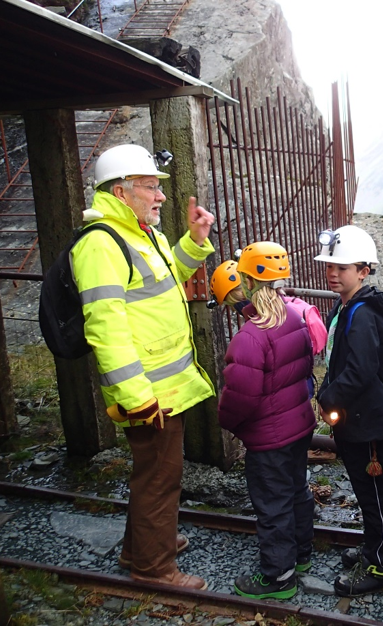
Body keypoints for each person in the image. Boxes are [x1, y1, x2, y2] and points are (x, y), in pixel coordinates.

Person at [73, 144, 216, 589]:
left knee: (156, 471)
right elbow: (106, 327)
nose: (161, 196)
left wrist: (194, 241)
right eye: (151, 187)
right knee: (159, 476)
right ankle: (154, 570)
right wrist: (137, 396)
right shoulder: (102, 243)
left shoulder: (138, 233)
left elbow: (167, 274)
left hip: (165, 385)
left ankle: (144, 545)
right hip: (148, 391)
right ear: (122, 191)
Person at [217, 242, 316, 600]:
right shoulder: (295, 318)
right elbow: (304, 369)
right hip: (299, 425)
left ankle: (278, 577)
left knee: (272, 503)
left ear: (244, 279)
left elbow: (240, 398)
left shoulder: (250, 337)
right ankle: (301, 554)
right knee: (296, 490)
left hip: (268, 438)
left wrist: (226, 421)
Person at [314, 224, 383, 597]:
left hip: (366, 421)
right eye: (330, 267)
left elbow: (361, 369)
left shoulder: (362, 312)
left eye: (343, 267)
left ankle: (380, 565)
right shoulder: (349, 303)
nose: (333, 274)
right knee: (367, 490)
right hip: (359, 417)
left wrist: (327, 398)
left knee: (374, 492)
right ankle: (374, 547)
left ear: (364, 271)